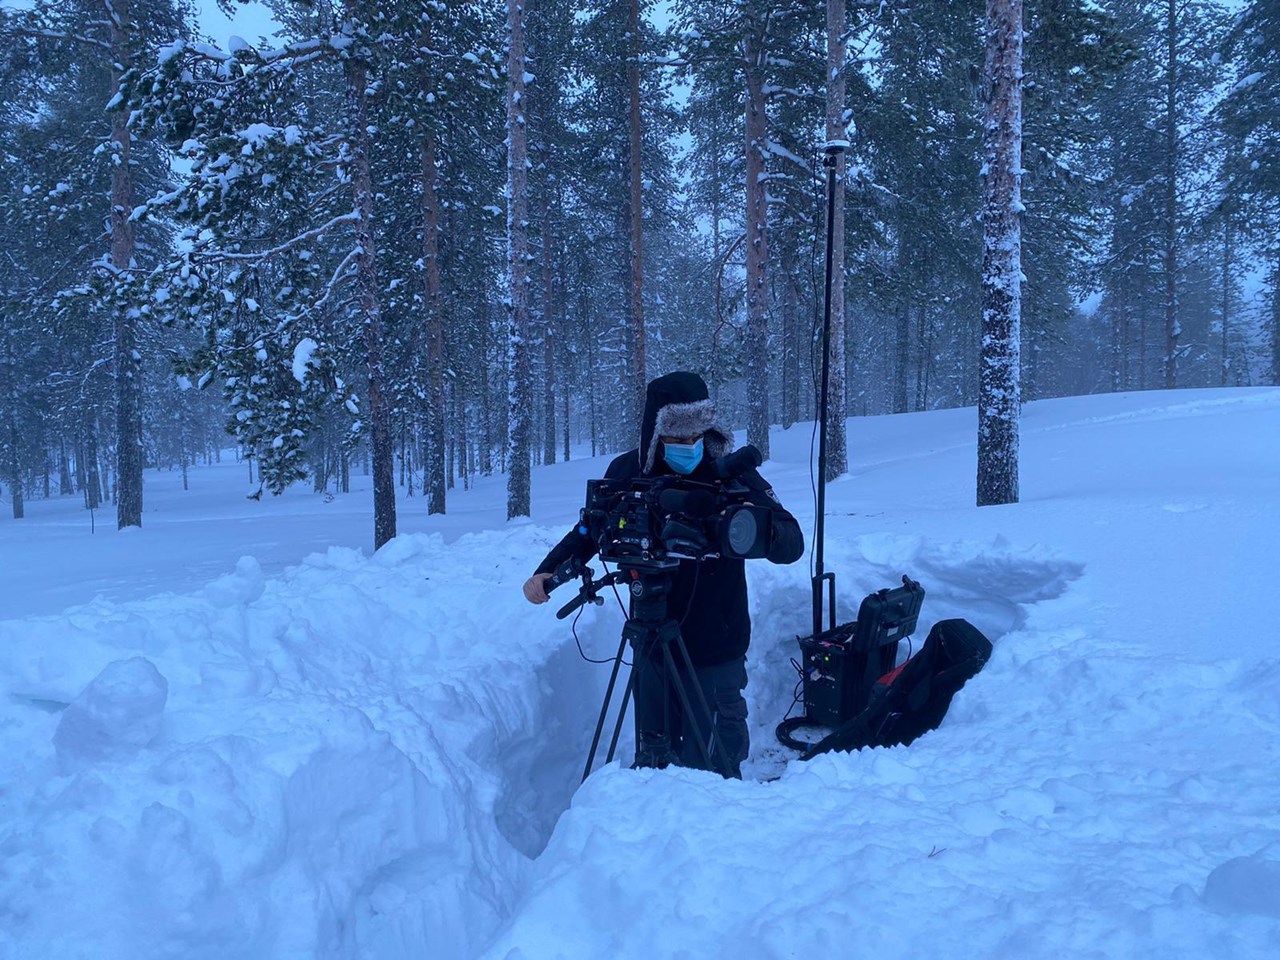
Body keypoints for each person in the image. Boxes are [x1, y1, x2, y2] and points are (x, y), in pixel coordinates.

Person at [522, 371, 804, 778]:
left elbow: (791, 541)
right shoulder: (628, 472)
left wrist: (734, 527)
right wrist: (547, 572)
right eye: (677, 438)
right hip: (652, 641)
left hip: (716, 647)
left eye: (696, 435)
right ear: (655, 432)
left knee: (714, 768)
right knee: (654, 760)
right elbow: (590, 529)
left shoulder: (729, 472)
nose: (689, 446)